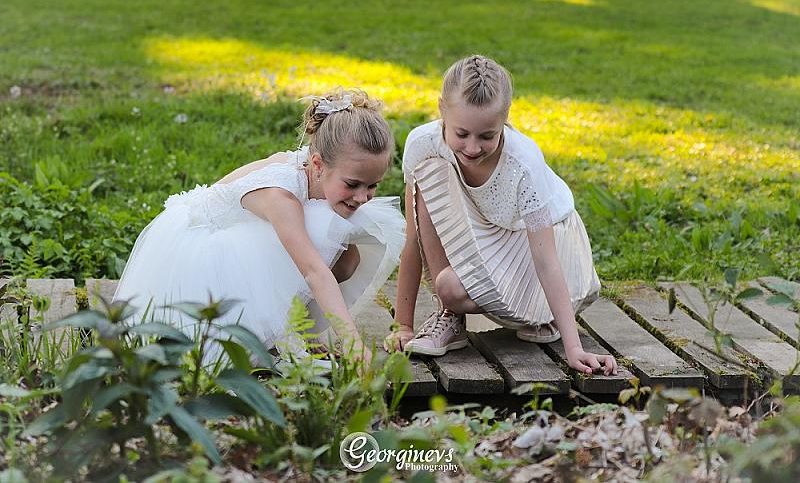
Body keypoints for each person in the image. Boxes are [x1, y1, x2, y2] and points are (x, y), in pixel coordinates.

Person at [114, 88, 404, 365]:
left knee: (346, 257)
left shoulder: (321, 169)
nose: (362, 197)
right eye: (353, 184)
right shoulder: (281, 196)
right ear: (318, 165)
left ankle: (301, 328)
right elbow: (314, 272)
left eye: (372, 186)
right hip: (202, 249)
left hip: (249, 234)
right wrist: (353, 343)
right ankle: (271, 336)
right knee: (315, 251)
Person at [384, 55, 617, 376]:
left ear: (505, 119)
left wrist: (574, 348)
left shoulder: (523, 163)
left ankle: (543, 314)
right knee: (431, 168)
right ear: (441, 110)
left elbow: (546, 259)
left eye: (487, 136)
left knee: (451, 285)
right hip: (488, 231)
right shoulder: (423, 144)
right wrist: (403, 326)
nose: (473, 147)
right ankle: (449, 317)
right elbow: (412, 240)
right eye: (462, 133)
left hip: (543, 248)